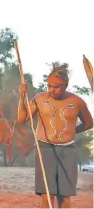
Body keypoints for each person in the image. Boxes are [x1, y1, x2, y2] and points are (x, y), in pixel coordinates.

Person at [17, 63, 93, 208]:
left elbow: (89, 123)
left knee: (64, 196)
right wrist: (22, 96)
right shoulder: (39, 99)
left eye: (56, 86)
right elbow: (22, 118)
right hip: (45, 148)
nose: (51, 89)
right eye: (49, 85)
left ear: (65, 85)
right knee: (47, 194)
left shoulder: (77, 102)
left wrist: (72, 131)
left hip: (67, 150)